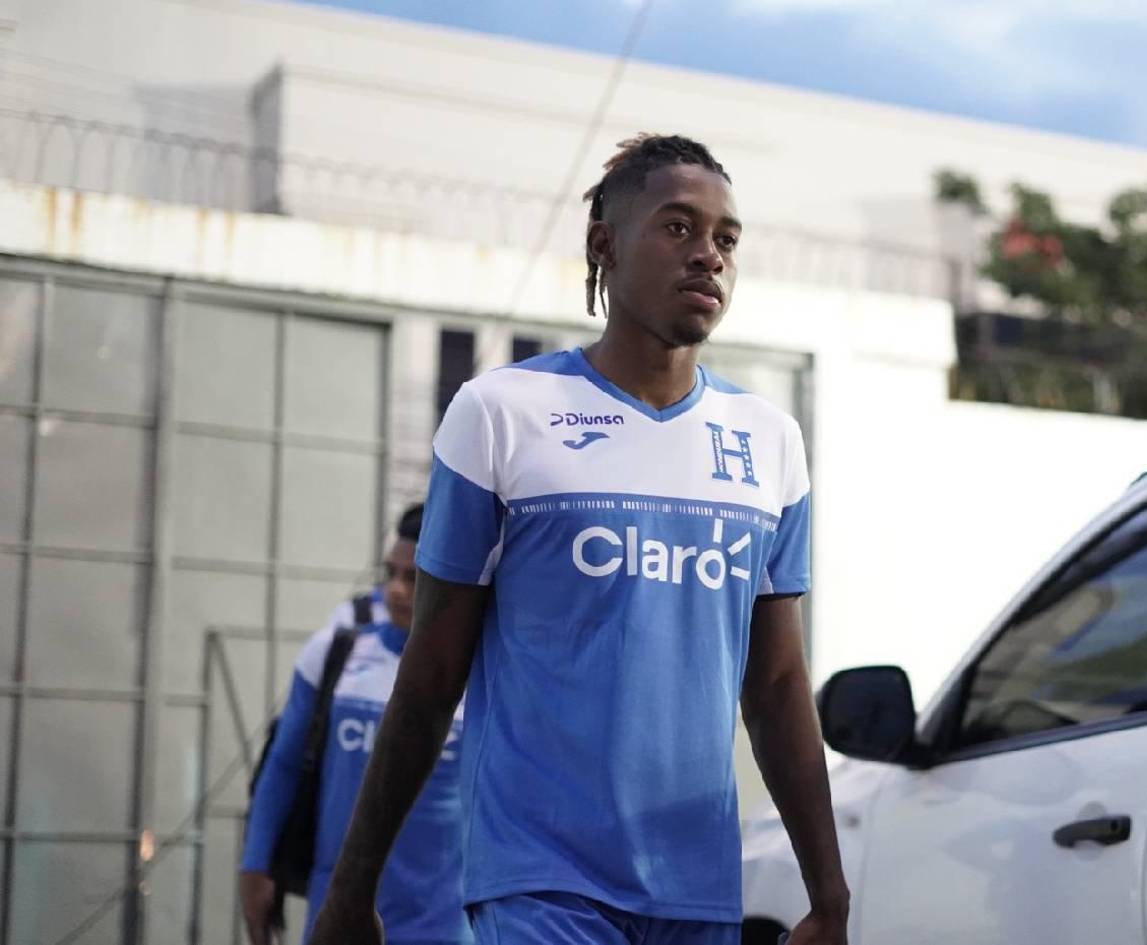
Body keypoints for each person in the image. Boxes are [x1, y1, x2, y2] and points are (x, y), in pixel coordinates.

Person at [310, 134, 850, 944]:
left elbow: (776, 686)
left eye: (726, 239)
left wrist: (829, 894)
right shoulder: (501, 413)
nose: (708, 255)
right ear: (605, 243)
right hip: (539, 880)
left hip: (697, 890)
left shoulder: (769, 440)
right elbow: (430, 675)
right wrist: (351, 893)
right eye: (678, 227)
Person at [240, 503, 472, 945]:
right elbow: (283, 765)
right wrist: (255, 864)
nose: (396, 590)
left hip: (443, 922)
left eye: (414, 578)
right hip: (338, 916)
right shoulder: (335, 656)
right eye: (391, 573)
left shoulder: (480, 676)